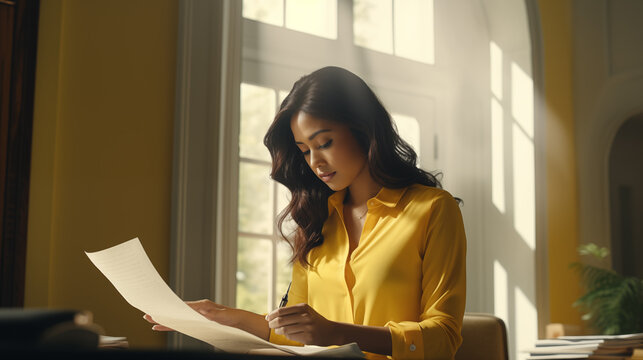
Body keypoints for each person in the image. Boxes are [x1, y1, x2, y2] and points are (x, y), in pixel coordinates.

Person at [145, 66, 466, 360]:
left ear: (363, 130)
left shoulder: (433, 209)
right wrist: (220, 316)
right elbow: (294, 338)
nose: (315, 162)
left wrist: (338, 333)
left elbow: (443, 338)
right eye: (304, 150)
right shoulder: (317, 221)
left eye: (324, 142)